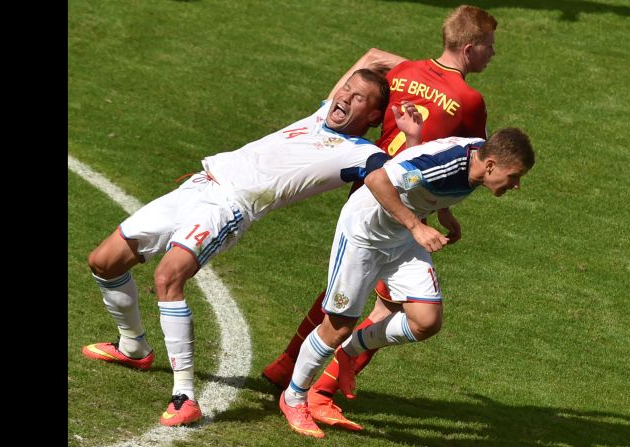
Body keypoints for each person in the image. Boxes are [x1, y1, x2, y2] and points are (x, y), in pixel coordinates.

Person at [80, 67, 420, 427]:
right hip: (198, 186)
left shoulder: (362, 155)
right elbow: (365, 62)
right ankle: (133, 347)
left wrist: (413, 138)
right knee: (104, 262)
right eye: (345, 90)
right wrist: (394, 65)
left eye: (358, 98)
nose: (344, 98)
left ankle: (184, 397)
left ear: (371, 116)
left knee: (168, 278)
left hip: (228, 207)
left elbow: (407, 181)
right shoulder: (321, 115)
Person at [262, 3, 498, 431]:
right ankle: (317, 392)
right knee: (385, 303)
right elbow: (463, 161)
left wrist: (327, 114)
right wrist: (431, 214)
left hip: (370, 181)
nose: (493, 56)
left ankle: (285, 367)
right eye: (490, 48)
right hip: (397, 205)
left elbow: (371, 57)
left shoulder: (405, 70)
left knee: (348, 291)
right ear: (470, 48)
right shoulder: (470, 99)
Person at [279, 127, 536, 438]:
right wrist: (416, 226)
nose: (517, 185)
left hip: (399, 239)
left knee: (426, 320)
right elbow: (377, 179)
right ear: (492, 165)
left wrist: (443, 212)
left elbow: (429, 177)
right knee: (337, 327)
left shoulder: (477, 159)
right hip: (365, 234)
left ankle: (351, 351)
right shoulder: (450, 164)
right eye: (515, 176)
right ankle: (293, 398)